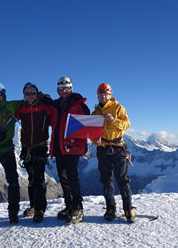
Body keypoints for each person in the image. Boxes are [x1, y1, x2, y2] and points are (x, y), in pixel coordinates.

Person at [47, 77, 90, 224]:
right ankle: (69, 205)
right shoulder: (57, 106)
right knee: (63, 176)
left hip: (72, 147)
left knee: (72, 176)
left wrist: (74, 140)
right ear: (57, 90)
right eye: (61, 89)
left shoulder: (79, 105)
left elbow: (86, 127)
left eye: (66, 88)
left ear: (71, 89)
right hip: (59, 146)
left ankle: (78, 208)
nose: (64, 91)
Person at [91, 83, 135, 223]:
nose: (103, 97)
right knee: (106, 180)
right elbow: (91, 133)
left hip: (118, 147)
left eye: (105, 94)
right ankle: (111, 208)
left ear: (109, 95)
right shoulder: (95, 113)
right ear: (98, 96)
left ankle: (128, 209)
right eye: (100, 95)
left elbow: (127, 124)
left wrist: (114, 120)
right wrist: (94, 141)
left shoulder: (118, 107)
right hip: (103, 148)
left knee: (122, 180)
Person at [15, 82, 56, 223]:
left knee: (38, 179)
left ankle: (40, 209)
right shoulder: (21, 108)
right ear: (24, 96)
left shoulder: (45, 107)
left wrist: (49, 100)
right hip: (26, 148)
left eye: (33, 92)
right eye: (27, 93)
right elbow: (7, 116)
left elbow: (57, 115)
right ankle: (33, 206)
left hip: (40, 147)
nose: (30, 95)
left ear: (37, 94)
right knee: (31, 179)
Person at [0, 82, 22, 224]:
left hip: (7, 148)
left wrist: (41, 96)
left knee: (13, 180)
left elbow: (29, 99)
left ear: (4, 94)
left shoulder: (11, 106)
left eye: (0, 94)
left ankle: (13, 211)